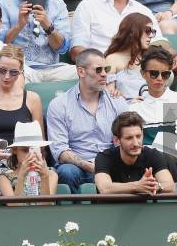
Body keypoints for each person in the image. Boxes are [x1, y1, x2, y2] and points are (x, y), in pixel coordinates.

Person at [47, 49, 129, 193]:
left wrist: (106, 166)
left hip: (109, 162)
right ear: (81, 72)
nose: (104, 74)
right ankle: (72, 215)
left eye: (106, 69)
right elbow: (60, 152)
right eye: (98, 70)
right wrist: (92, 167)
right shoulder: (59, 105)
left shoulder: (117, 101)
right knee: (66, 172)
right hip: (77, 166)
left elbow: (126, 139)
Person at [0, 0, 78, 82]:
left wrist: (48, 26)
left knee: (83, 74)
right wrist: (19, 25)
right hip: (21, 68)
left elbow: (62, 48)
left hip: (52, 68)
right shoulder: (4, 3)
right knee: (16, 77)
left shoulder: (58, 5)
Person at [95, 111, 175, 194]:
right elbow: (104, 188)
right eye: (129, 138)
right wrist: (137, 186)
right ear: (116, 140)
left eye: (138, 136)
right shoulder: (104, 157)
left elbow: (170, 186)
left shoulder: (153, 155)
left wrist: (152, 186)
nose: (136, 143)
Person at [129, 47, 177, 128]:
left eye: (165, 74)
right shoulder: (135, 108)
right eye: (154, 73)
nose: (159, 78)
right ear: (143, 73)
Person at [105, 12, 157, 101]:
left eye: (153, 31)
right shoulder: (112, 59)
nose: (151, 35)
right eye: (148, 31)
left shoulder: (150, 57)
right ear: (132, 32)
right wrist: (127, 101)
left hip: (151, 104)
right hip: (129, 108)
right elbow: (109, 95)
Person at [0, 121, 58, 197]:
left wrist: (44, 176)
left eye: (34, 149)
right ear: (14, 150)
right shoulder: (5, 178)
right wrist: (22, 176)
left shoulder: (51, 174)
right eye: (25, 150)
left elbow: (47, 205)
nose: (30, 155)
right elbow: (15, 206)